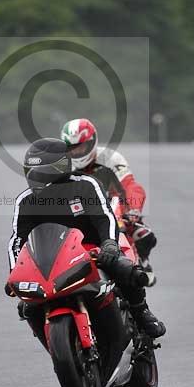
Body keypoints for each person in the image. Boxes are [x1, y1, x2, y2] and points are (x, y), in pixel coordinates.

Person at [6, 137, 165, 339]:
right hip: (52, 260)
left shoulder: (87, 185)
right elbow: (17, 241)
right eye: (32, 172)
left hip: (94, 250)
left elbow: (104, 217)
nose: (36, 177)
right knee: (27, 307)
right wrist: (14, 272)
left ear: (60, 167)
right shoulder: (25, 201)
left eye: (42, 172)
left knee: (127, 269)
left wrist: (109, 244)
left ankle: (142, 312)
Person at [61, 118, 158, 286]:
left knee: (144, 235)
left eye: (81, 147)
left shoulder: (110, 157)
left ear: (92, 142)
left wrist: (133, 210)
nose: (77, 152)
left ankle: (141, 262)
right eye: (72, 148)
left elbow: (130, 185)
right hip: (79, 212)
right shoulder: (62, 165)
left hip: (115, 208)